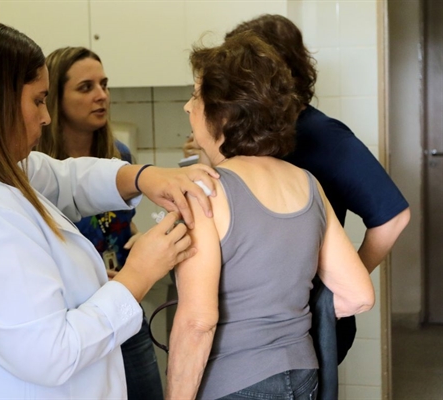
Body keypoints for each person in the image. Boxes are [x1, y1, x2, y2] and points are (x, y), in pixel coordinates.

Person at [0, 22, 220, 399]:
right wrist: (137, 275)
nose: (46, 117)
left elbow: (63, 178)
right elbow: (51, 353)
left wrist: (142, 177)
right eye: (38, 100)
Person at [184, 14, 411, 365]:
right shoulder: (255, 137)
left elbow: (393, 216)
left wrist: (335, 290)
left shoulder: (324, 135)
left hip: (302, 317)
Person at [166, 31, 375, 400]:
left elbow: (197, 323)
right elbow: (358, 295)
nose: (187, 107)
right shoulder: (307, 183)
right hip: (303, 376)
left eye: (196, 95)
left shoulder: (207, 195)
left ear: (225, 113)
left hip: (234, 383)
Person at [36, 46, 164, 400]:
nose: (101, 96)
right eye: (86, 87)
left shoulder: (120, 157)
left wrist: (144, 246)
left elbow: (121, 228)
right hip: (76, 319)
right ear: (55, 99)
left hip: (125, 305)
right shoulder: (40, 168)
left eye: (104, 85)